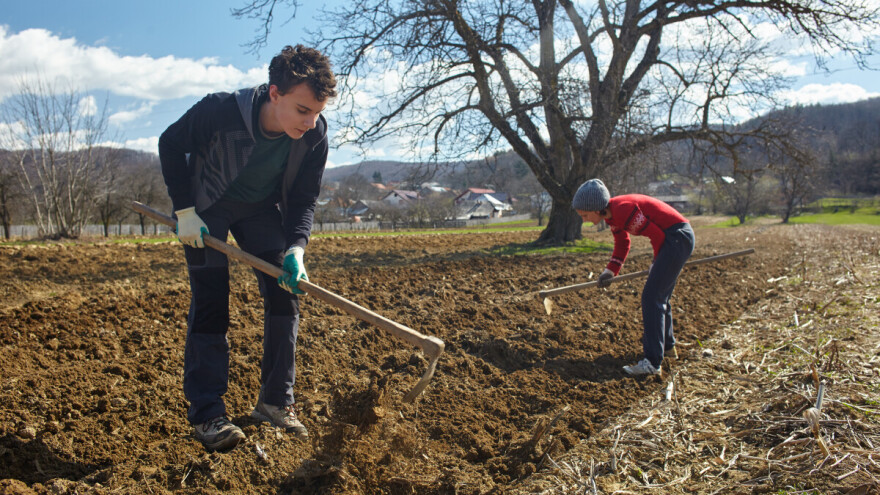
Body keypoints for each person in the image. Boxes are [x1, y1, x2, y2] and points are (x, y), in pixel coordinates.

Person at [158, 45, 336, 452]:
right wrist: (184, 210)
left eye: (317, 112)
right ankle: (208, 414)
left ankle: (275, 402)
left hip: (259, 210)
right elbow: (170, 142)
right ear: (275, 94)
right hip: (207, 209)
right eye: (302, 110)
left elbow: (305, 198)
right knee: (212, 301)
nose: (311, 122)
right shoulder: (220, 111)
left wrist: (296, 248)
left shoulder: (315, 136)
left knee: (285, 293)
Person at [572, 179, 695, 376]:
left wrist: (656, 263)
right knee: (660, 297)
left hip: (677, 237)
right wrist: (610, 271)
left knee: (651, 297)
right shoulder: (613, 216)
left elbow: (658, 236)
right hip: (676, 238)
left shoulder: (623, 210)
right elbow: (622, 243)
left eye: (585, 215)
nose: (584, 219)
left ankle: (653, 363)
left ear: (596, 209)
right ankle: (668, 349)